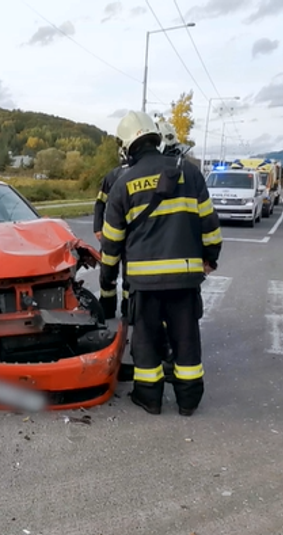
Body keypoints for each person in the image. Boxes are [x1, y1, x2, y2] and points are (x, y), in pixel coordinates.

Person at [99, 111, 223, 416]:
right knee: (186, 339)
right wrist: (210, 257)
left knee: (146, 341)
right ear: (155, 138)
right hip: (184, 279)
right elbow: (210, 225)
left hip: (144, 284)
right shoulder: (190, 174)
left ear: (127, 146)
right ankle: (188, 401)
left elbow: (111, 243)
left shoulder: (123, 184)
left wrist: (107, 281)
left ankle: (149, 398)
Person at [93, 144, 130, 319]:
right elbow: (100, 202)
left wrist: (98, 228)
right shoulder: (115, 175)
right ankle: (127, 311)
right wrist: (97, 228)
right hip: (129, 235)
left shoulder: (112, 175)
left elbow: (99, 203)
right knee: (128, 275)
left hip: (112, 234)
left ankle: (108, 310)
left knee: (108, 273)